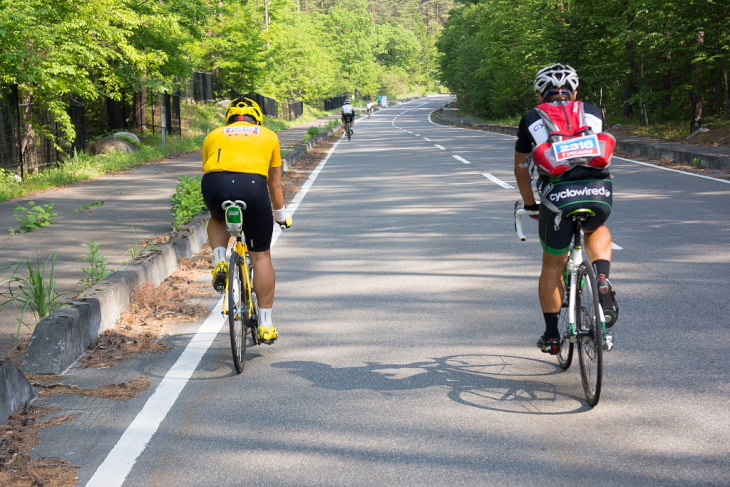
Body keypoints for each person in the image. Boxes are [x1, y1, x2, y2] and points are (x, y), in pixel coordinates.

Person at [513, 64, 618, 354]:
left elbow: (522, 170)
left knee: (552, 265)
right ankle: (601, 277)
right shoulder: (592, 111)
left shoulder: (532, 118)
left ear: (539, 94)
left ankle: (550, 335)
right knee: (596, 227)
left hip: (558, 196)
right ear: (574, 92)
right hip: (597, 190)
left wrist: (531, 205)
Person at [201, 97, 291, 344]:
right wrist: (281, 217)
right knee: (260, 256)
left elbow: (209, 169)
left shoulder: (213, 135)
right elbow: (274, 184)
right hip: (252, 186)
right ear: (257, 119)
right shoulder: (268, 135)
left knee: (217, 217)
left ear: (228, 119)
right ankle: (265, 324)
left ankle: (220, 261)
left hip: (215, 185)